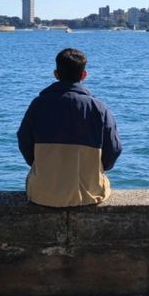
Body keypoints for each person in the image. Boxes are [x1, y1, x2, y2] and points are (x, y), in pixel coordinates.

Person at [17, 48, 122, 207]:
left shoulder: (38, 105)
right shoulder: (99, 108)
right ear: (83, 75)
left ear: (56, 74)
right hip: (89, 195)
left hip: (43, 194)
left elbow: (24, 141)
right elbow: (113, 150)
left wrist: (42, 164)